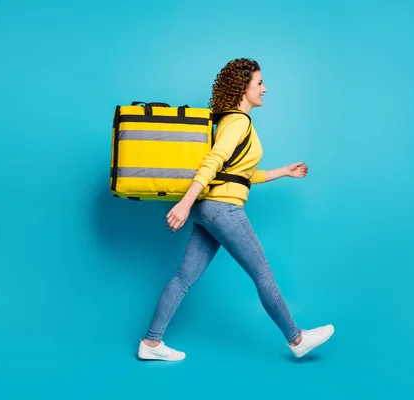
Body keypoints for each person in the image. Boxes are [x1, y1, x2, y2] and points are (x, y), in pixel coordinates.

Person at [137, 58, 334, 361]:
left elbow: (242, 174)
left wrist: (284, 171)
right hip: (223, 209)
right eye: (259, 83)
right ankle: (297, 339)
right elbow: (213, 161)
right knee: (263, 274)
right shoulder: (238, 122)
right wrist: (185, 203)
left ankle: (151, 343)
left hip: (210, 210)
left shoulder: (233, 121)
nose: (265, 89)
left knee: (183, 277)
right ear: (243, 88)